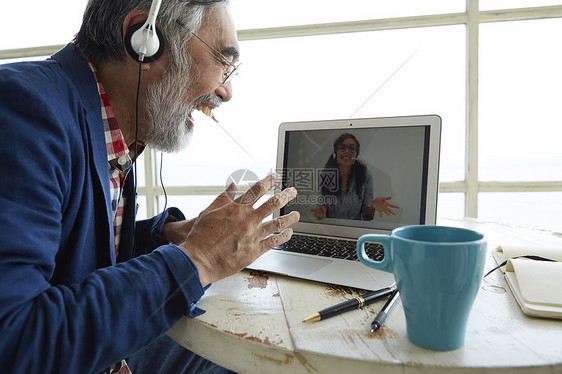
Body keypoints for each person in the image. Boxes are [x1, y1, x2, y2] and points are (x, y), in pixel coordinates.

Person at [0, 1, 300, 373]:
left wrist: (172, 237)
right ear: (145, 39)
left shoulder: (109, 127)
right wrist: (199, 260)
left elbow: (72, 257)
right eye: (224, 62)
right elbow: (14, 340)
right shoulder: (23, 110)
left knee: (251, 359)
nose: (226, 92)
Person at [311, 133, 400, 220]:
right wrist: (321, 213)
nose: (347, 151)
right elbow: (322, 209)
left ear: (356, 154)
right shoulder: (325, 176)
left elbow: (367, 217)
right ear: (335, 152)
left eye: (352, 148)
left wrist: (372, 207)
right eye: (342, 148)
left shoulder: (366, 175)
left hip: (356, 230)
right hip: (333, 229)